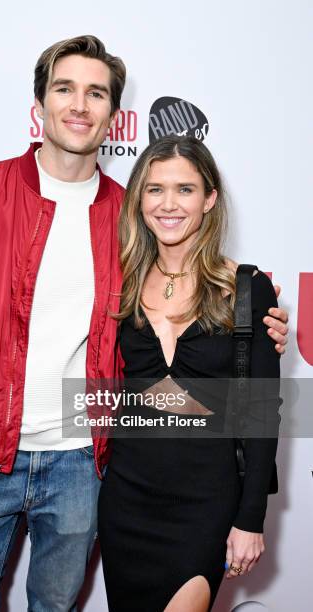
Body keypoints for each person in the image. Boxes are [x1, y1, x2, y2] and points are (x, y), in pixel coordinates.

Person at [0, 36, 288, 611]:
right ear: (41, 105)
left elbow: (193, 301)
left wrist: (257, 316)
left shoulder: (124, 218)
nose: (80, 105)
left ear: (113, 112)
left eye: (96, 93)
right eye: (65, 89)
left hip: (84, 464)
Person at [97, 135, 282, 612]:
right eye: (155, 189)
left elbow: (262, 416)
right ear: (139, 199)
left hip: (203, 503)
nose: (169, 204)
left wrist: (251, 520)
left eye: (185, 189)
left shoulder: (247, 289)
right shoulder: (120, 282)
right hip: (127, 498)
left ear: (209, 199)